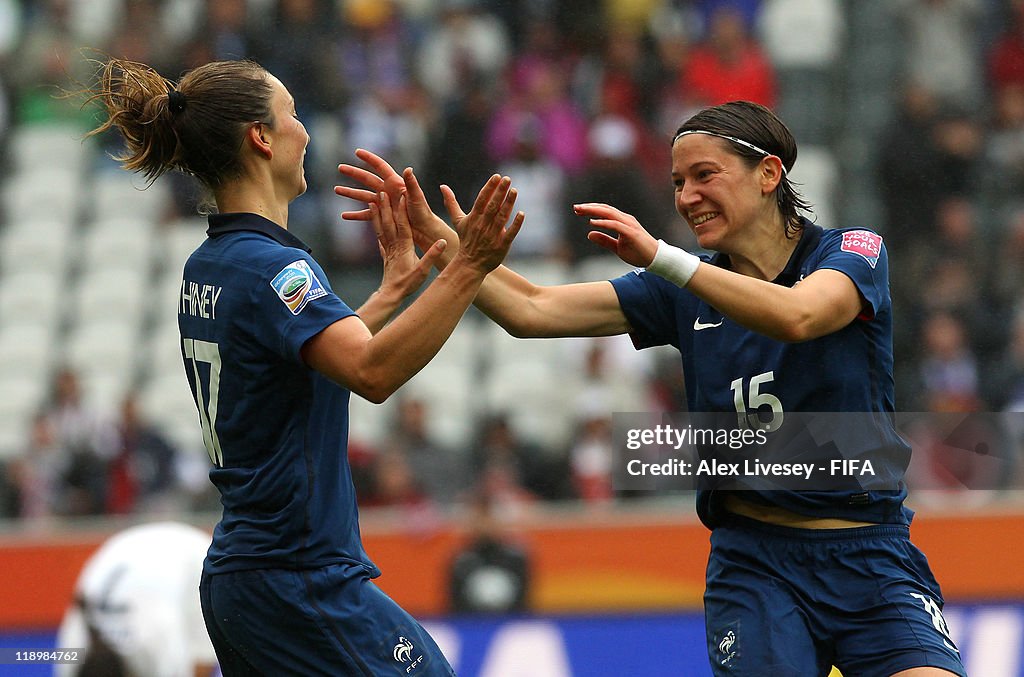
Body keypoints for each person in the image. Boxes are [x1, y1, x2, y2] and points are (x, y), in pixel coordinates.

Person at [337, 101, 968, 676]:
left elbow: (798, 315)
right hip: (757, 566)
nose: (687, 196)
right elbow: (530, 309)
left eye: (703, 176)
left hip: (871, 554)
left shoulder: (853, 252)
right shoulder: (681, 289)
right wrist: (437, 238)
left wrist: (664, 258)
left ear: (769, 174)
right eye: (676, 183)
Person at [86, 56, 523, 676]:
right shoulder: (273, 268)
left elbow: (306, 363)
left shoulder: (209, 266)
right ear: (260, 138)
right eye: (292, 115)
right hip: (300, 577)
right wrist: (469, 264)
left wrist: (388, 297)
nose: (307, 131)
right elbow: (371, 374)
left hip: (242, 578)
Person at [54, 521, 217, 677]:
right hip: (125, 549)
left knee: (202, 654)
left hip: (191, 555)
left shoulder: (156, 643)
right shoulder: (72, 658)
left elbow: (195, 666)